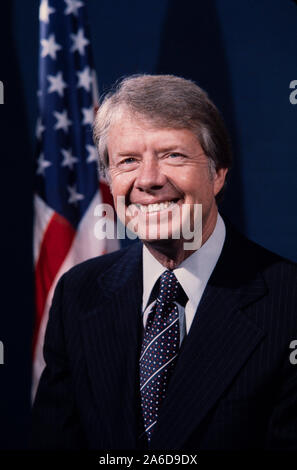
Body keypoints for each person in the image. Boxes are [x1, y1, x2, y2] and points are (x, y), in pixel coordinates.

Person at [32, 74, 297, 450]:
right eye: (128, 161)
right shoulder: (79, 293)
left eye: (173, 154)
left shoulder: (288, 301)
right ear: (109, 179)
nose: (149, 180)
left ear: (217, 173)